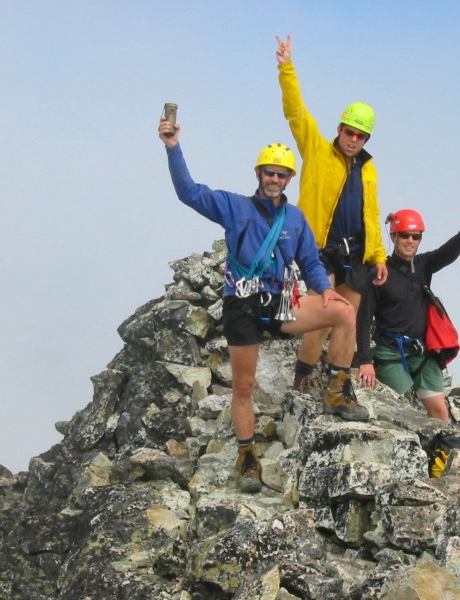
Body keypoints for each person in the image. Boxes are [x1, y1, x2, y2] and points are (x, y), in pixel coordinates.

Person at [158, 116, 370, 494]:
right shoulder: (233, 207)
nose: (275, 180)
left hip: (279, 302)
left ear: (289, 178)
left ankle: (337, 388)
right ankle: (247, 457)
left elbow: (310, 263)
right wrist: (173, 147)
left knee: (344, 311)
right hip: (242, 304)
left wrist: (325, 290)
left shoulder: (296, 218)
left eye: (282, 175)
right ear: (258, 173)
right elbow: (188, 192)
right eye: (269, 173)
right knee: (244, 385)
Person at [275, 34, 388, 393]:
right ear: (339, 128)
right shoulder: (317, 150)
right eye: (349, 131)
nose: (354, 139)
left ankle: (339, 386)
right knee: (322, 319)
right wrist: (286, 67)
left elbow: (373, 212)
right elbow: (295, 112)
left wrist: (379, 255)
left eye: (361, 135)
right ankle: (304, 375)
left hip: (357, 254)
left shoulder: (368, 169)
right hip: (319, 249)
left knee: (349, 319)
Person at [356, 209, 460, 421]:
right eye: (404, 235)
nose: (410, 241)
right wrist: (365, 361)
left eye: (416, 236)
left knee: (440, 412)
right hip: (391, 354)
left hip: (421, 353)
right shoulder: (380, 273)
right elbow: (363, 319)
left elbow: (446, 254)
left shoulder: (423, 265)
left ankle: (442, 452)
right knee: (404, 414)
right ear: (393, 236)